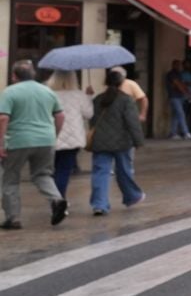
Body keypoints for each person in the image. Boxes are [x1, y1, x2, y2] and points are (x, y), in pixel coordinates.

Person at [0, 61, 67, 229]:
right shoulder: (47, 91)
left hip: (18, 140)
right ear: (33, 75)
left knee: (10, 179)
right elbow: (60, 116)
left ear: (14, 76)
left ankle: (13, 218)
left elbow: (3, 118)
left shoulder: (9, 92)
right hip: (46, 139)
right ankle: (57, 200)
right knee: (42, 174)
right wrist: (54, 136)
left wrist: (1, 143)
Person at [88, 71, 146, 214]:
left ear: (106, 83)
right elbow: (133, 122)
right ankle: (132, 196)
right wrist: (138, 141)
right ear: (122, 83)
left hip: (100, 142)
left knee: (100, 173)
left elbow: (92, 120)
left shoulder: (97, 99)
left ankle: (99, 205)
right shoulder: (126, 100)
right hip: (122, 142)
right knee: (123, 172)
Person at [51, 72, 92, 204]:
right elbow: (89, 114)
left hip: (51, 136)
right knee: (64, 171)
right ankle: (59, 201)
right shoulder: (79, 94)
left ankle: (55, 198)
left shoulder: (49, 93)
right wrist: (89, 96)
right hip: (72, 139)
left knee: (53, 170)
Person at [165, 60, 191, 139]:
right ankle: (186, 132)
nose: (179, 67)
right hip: (174, 97)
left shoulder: (179, 74)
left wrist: (189, 94)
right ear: (173, 65)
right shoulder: (171, 74)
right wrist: (186, 93)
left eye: (180, 65)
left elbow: (182, 84)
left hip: (179, 96)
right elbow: (178, 84)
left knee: (175, 115)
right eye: (178, 65)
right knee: (181, 114)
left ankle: (173, 133)